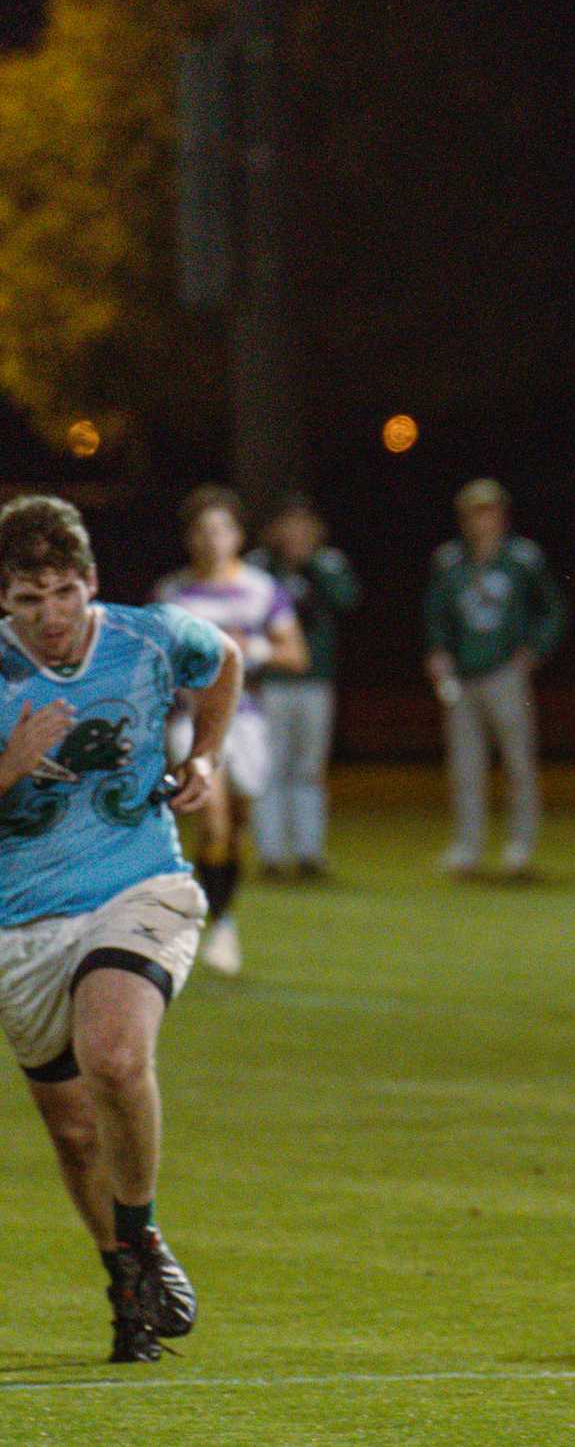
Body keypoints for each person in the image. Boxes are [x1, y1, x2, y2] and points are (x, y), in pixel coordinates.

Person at [0, 493, 240, 1363]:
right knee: (70, 1130)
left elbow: (224, 664)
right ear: (4, 600)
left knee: (114, 1053)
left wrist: (205, 755)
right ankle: (125, 1285)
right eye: (29, 599)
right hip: (16, 923)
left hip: (139, 885)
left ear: (91, 582)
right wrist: (11, 766)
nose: (52, 616)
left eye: (65, 592)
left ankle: (137, 1235)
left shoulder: (149, 636)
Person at [155, 486, 309, 975]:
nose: (211, 540)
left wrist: (251, 650)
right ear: (189, 539)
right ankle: (218, 926)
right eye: (202, 531)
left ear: (237, 536)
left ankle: (222, 914)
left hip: (245, 722)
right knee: (213, 817)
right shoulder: (172, 596)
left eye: (220, 529)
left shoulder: (261, 589)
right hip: (192, 721)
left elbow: (296, 654)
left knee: (236, 829)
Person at [424, 479, 565, 878]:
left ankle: (520, 845)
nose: (483, 520)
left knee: (518, 761)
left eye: (490, 511)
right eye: (475, 512)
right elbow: (435, 613)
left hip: (506, 672)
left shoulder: (522, 558)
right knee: (465, 765)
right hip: (462, 674)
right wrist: (438, 651)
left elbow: (552, 608)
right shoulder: (450, 560)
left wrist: (534, 650)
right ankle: (467, 847)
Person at [247, 497, 359, 879]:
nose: (296, 534)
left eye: (303, 525)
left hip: (315, 681)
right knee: (270, 767)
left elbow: (348, 600)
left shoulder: (327, 564)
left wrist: (311, 567)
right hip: (272, 682)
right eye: (288, 525)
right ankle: (272, 854)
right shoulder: (261, 567)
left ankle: (310, 851)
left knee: (309, 768)